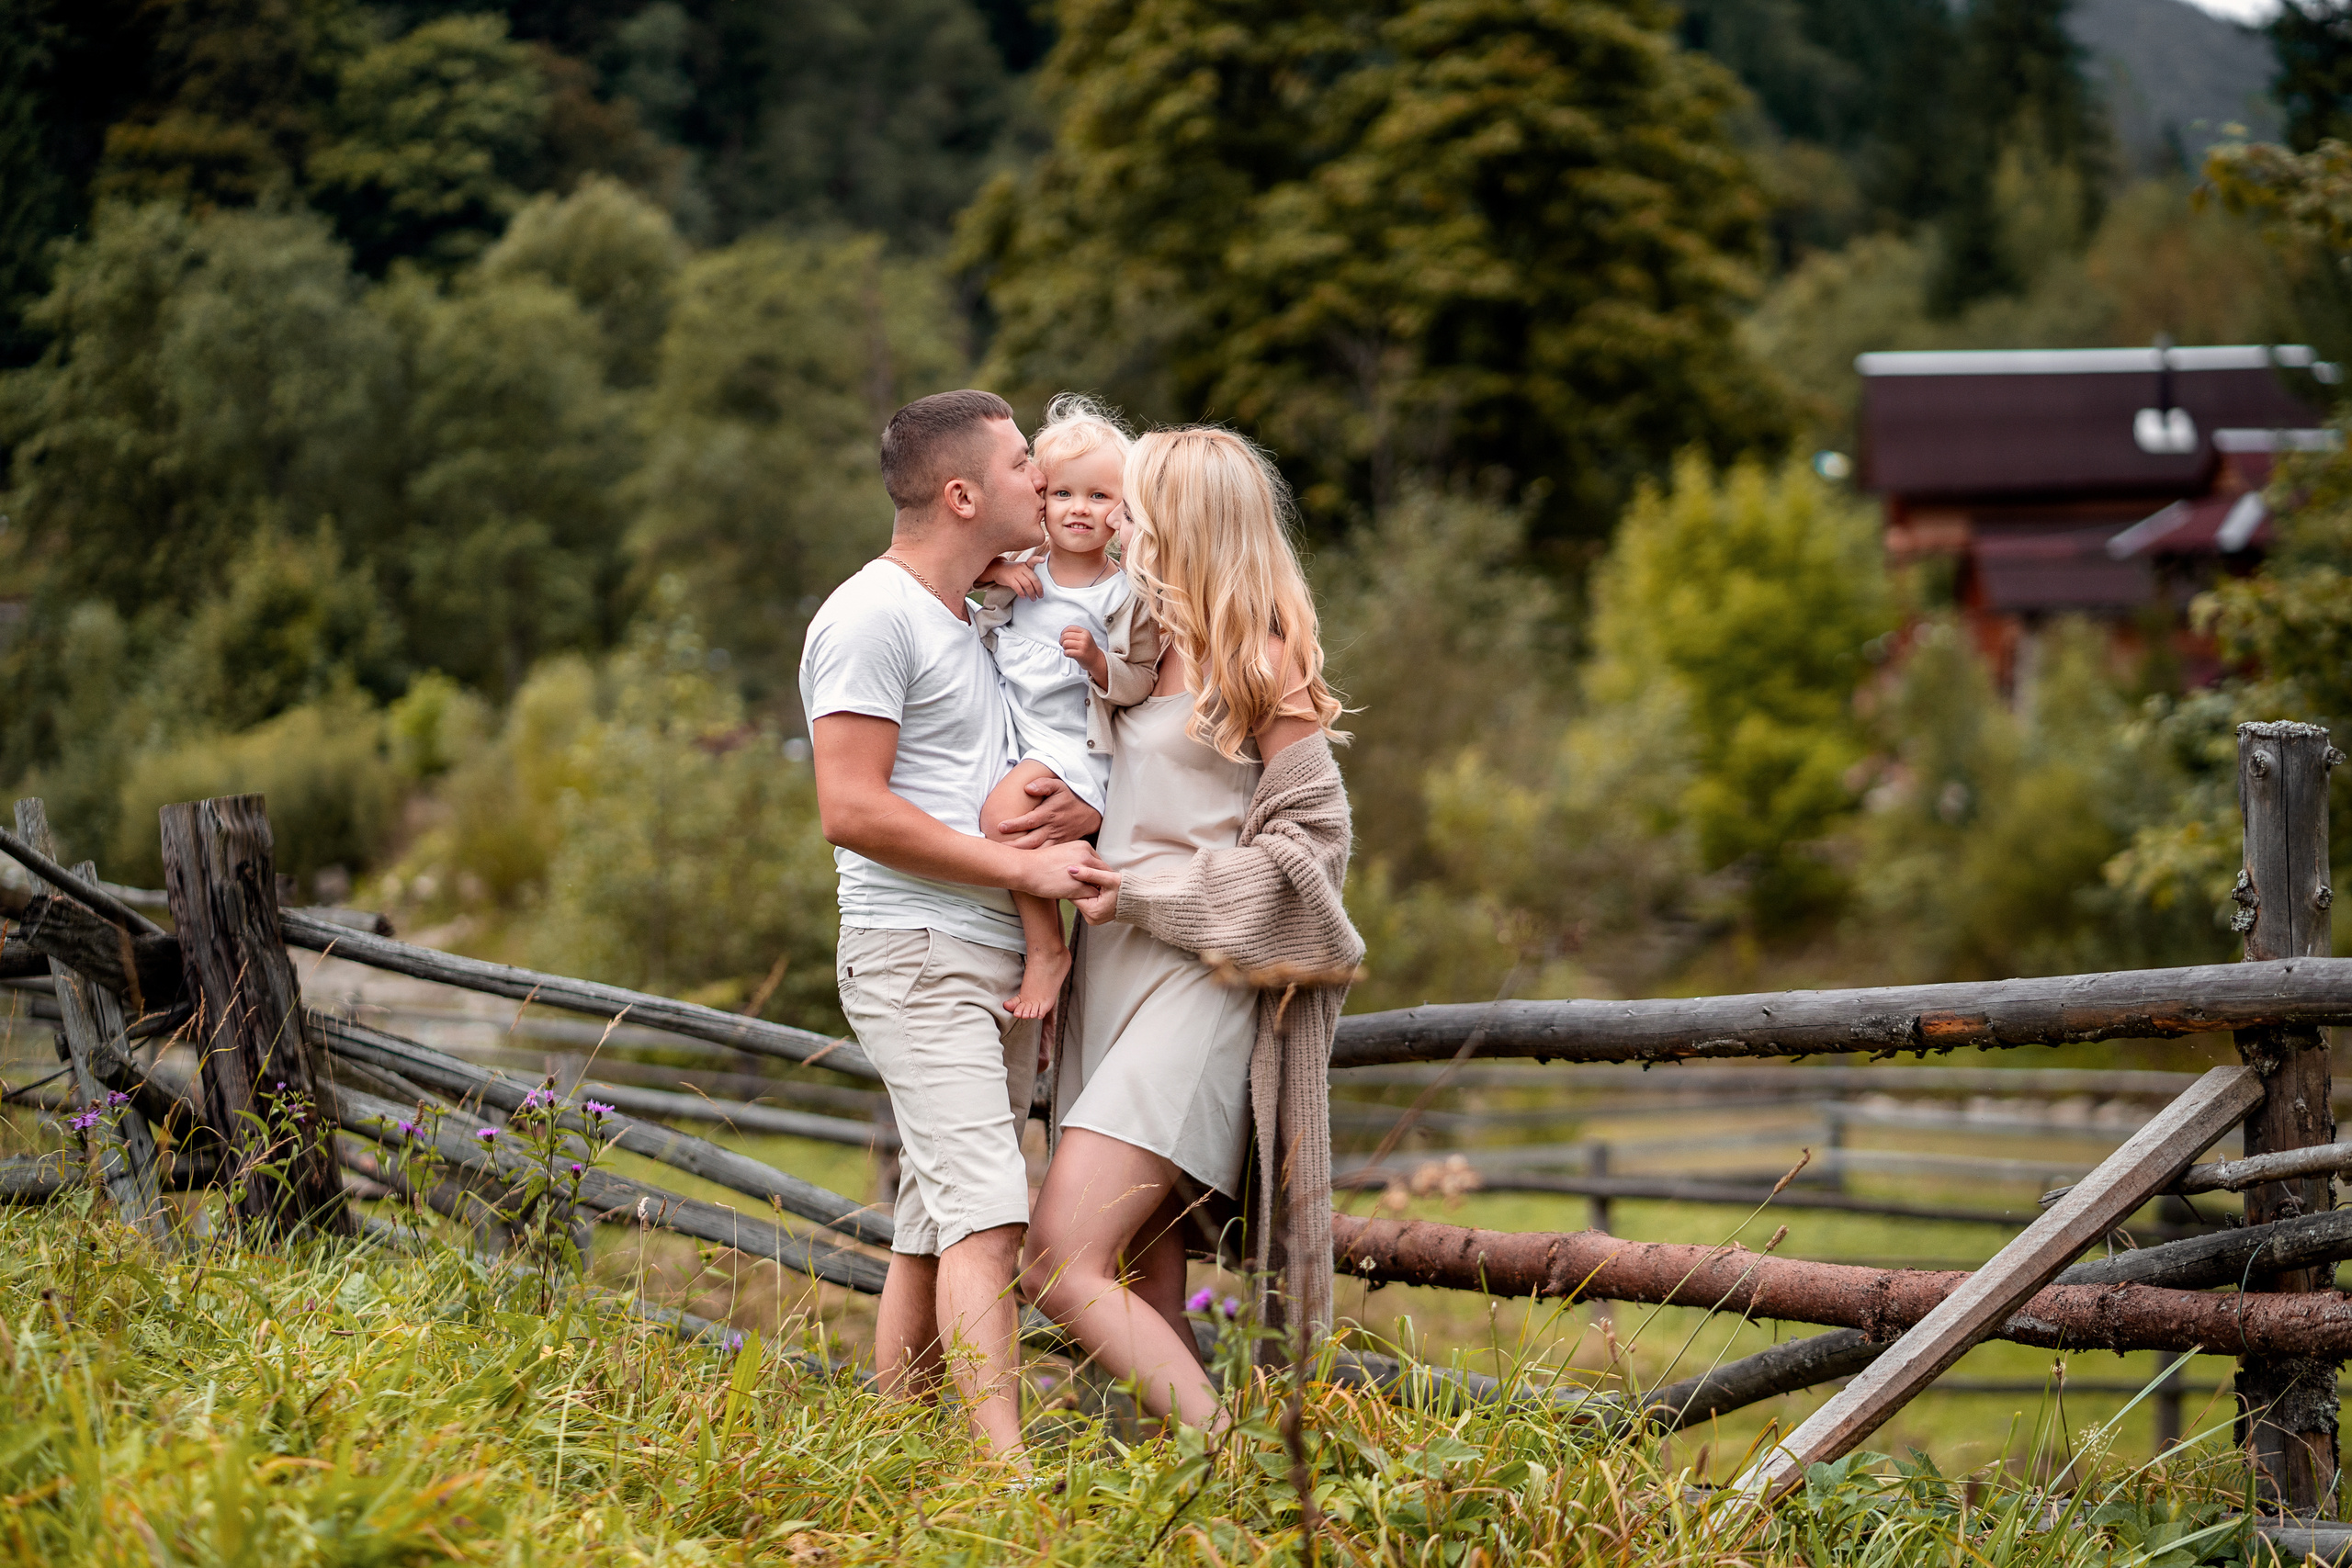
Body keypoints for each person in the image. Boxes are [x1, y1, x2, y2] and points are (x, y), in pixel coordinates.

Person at [1021, 425, 1363, 1429]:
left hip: (1195, 978)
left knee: (1054, 1259)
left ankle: (1234, 1463)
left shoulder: (1263, 665)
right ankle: (1160, 1503)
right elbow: (1142, 796)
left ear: (1183, 520)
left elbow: (1311, 865)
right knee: (1136, 1266)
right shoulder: (1138, 645)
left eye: (1134, 505)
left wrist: (1145, 891)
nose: (1116, 523)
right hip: (1109, 971)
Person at [799, 389, 1104, 1460]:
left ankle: (897, 1452)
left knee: (933, 1229)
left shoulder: (970, 612)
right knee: (990, 1215)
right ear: (964, 492)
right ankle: (1001, 1483)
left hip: (988, 952)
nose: (1043, 478)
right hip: (914, 949)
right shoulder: (868, 616)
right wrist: (1020, 863)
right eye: (1025, 463)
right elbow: (852, 808)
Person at [970, 395, 1163, 1020]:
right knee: (1010, 823)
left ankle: (1046, 948)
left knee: (1003, 818)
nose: (1079, 509)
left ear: (1123, 510)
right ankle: (1067, 901)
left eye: (1100, 497)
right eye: (1062, 494)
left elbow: (1138, 683)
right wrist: (995, 568)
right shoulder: (1024, 571)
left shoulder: (1125, 593)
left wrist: (1097, 663)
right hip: (1019, 737)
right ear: (1041, 501)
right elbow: (953, 574)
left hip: (1074, 746)